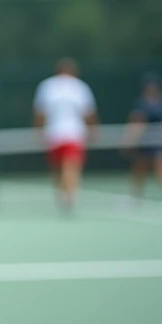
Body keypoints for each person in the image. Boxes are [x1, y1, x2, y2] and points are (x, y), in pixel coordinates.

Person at [33, 58, 98, 212]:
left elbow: (40, 114)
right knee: (62, 168)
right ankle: (66, 193)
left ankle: (69, 196)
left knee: (69, 165)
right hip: (58, 135)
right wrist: (93, 130)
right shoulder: (54, 86)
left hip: (70, 134)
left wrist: (39, 131)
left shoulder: (76, 87)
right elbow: (89, 114)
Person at [120, 72, 162, 214]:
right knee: (140, 169)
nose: (152, 88)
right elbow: (138, 122)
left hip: (159, 142)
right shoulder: (142, 103)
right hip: (146, 143)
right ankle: (135, 197)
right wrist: (131, 140)